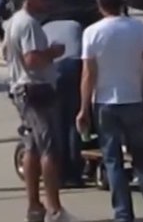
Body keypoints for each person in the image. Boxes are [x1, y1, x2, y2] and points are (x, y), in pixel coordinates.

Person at [79, 0, 143, 222]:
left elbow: (88, 74)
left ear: (99, 4)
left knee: (113, 160)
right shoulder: (137, 28)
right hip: (132, 99)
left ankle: (123, 214)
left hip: (105, 101)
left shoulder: (92, 32)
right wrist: (142, 86)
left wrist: (83, 108)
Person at [3, 0, 77, 222]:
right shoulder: (30, 24)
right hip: (37, 90)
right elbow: (32, 59)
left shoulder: (13, 21)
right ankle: (54, 209)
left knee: (32, 147)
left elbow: (6, 53)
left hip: (22, 88)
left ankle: (35, 207)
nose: (48, 2)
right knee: (49, 149)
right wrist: (54, 52)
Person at [42, 16, 85, 187]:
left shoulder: (45, 26)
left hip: (57, 69)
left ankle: (61, 172)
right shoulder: (76, 24)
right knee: (73, 123)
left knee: (58, 124)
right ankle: (75, 173)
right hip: (75, 66)